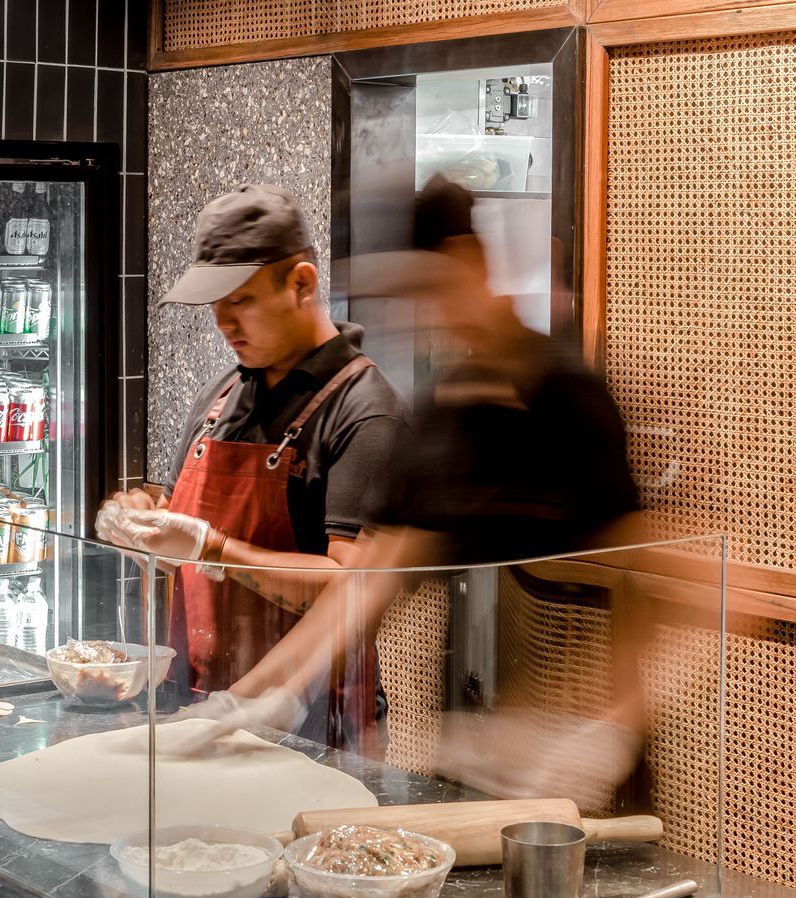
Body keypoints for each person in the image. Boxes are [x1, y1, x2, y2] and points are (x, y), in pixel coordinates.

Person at [185, 177, 652, 806]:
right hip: (480, 758)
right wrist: (260, 696)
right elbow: (371, 580)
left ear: (474, 262)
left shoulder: (568, 398)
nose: (426, 311)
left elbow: (648, 577)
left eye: (431, 288)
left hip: (583, 767)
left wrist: (613, 727)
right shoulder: (448, 411)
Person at [96, 183, 407, 752]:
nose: (223, 321)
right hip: (196, 702)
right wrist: (138, 521)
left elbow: (354, 590)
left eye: (240, 299)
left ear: (302, 284)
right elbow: (177, 523)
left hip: (314, 727)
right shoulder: (220, 395)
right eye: (214, 304)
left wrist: (213, 549)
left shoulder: (365, 409)